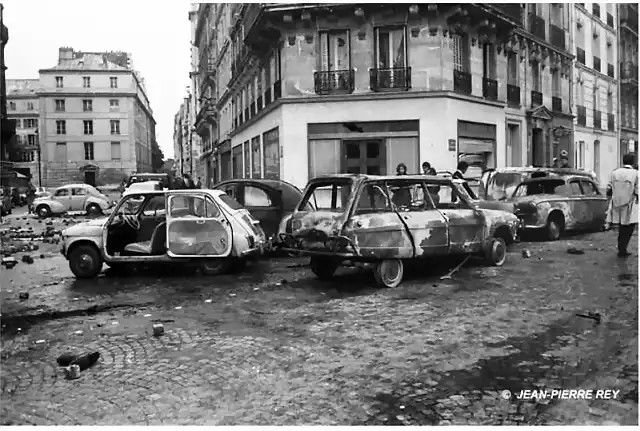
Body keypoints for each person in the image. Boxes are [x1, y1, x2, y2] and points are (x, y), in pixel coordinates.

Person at [606, 154, 638, 258]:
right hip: (631, 204)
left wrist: (610, 199)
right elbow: (638, 190)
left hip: (616, 203)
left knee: (621, 226)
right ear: (633, 162)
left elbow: (609, 188)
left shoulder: (615, 173)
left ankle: (621, 248)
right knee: (629, 226)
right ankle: (623, 249)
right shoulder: (636, 174)